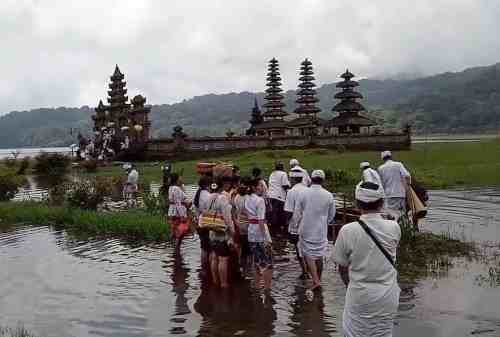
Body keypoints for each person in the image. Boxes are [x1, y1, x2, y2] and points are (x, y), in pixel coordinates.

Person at [333, 181, 401, 337]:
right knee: (383, 332)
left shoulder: (347, 230)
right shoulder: (394, 227)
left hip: (360, 295)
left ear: (357, 204)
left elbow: (342, 267)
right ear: (382, 203)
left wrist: (352, 286)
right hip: (387, 295)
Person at [296, 170, 335, 291]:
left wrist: (294, 226)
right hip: (321, 230)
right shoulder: (328, 195)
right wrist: (324, 222)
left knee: (308, 254)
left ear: (311, 179)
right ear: (323, 180)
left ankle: (316, 280)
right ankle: (319, 278)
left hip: (306, 228)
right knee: (319, 254)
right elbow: (331, 214)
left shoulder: (303, 193)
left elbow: (297, 213)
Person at [245, 178, 273, 291]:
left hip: (251, 231)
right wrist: (266, 238)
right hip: (260, 232)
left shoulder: (247, 198)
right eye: (261, 186)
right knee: (268, 263)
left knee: (256, 261)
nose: (263, 188)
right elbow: (261, 221)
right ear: (255, 187)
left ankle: (256, 286)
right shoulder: (260, 200)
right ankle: (267, 289)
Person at [208, 178, 235, 288]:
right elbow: (227, 217)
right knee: (223, 259)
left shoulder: (210, 197)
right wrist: (232, 230)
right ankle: (224, 283)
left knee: (214, 256)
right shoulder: (223, 198)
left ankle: (215, 281)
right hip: (222, 232)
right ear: (222, 186)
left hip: (212, 231)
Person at [284, 169, 309, 279]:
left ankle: (305, 271)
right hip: (309, 225)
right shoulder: (308, 190)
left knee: (299, 250)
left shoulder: (291, 192)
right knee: (309, 248)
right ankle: (313, 271)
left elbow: (288, 211)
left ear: (292, 179)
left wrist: (286, 224)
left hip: (296, 225)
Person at [378, 151, 411, 220]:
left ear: (383, 159)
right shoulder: (398, 164)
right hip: (400, 194)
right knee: (401, 214)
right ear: (391, 157)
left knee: (390, 214)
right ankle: (402, 228)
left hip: (388, 194)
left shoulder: (380, 168)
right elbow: (407, 175)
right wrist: (408, 184)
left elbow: (380, 183)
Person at [232, 176, 252, 275]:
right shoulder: (247, 199)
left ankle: (242, 265)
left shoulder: (236, 198)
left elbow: (234, 211)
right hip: (248, 224)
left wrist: (236, 222)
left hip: (240, 224)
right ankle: (248, 267)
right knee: (249, 247)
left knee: (243, 245)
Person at [193, 176, 212, 275]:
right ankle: (207, 268)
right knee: (208, 247)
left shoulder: (198, 193)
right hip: (207, 223)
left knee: (203, 248)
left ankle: (203, 267)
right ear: (207, 185)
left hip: (200, 223)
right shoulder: (207, 196)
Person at [168, 173, 191, 249]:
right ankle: (176, 249)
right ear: (176, 179)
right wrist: (182, 216)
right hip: (177, 213)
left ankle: (173, 248)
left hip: (172, 212)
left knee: (174, 230)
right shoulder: (176, 189)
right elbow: (178, 203)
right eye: (179, 178)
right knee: (180, 233)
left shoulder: (171, 188)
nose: (181, 179)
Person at [267, 161, 290, 230]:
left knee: (273, 213)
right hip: (279, 196)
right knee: (279, 214)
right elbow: (284, 185)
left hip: (271, 195)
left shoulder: (272, 173)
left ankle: (273, 229)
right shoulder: (283, 174)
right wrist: (289, 187)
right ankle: (278, 230)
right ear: (282, 167)